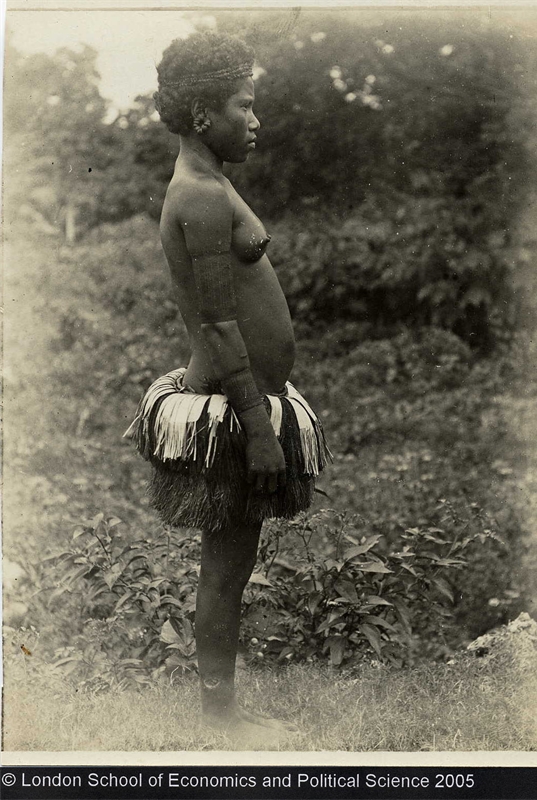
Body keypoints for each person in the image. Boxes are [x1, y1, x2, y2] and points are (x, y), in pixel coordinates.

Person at [124, 31, 330, 740]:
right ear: (203, 114)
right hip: (230, 406)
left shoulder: (210, 179)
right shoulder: (199, 195)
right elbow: (214, 323)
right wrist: (259, 425)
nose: (256, 120)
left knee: (232, 563)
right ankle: (221, 722)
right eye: (244, 105)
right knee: (224, 566)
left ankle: (225, 713)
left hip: (241, 399)